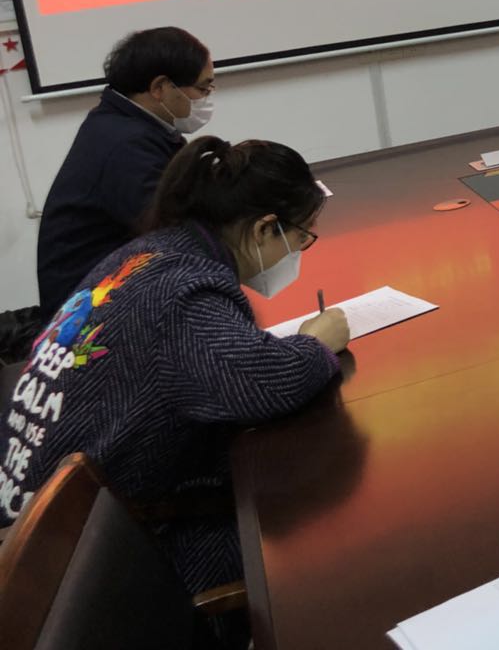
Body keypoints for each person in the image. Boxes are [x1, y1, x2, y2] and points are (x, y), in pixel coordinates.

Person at [2, 136, 350, 593]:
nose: (301, 248)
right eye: (302, 236)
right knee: (314, 539)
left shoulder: (151, 251)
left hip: (33, 512)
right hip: (82, 559)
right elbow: (262, 383)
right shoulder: (183, 292)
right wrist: (316, 343)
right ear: (265, 228)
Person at [36, 27, 215, 316]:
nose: (206, 98)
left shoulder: (125, 124)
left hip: (109, 290)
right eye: (203, 89)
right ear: (160, 87)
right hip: (89, 314)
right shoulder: (126, 144)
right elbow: (176, 231)